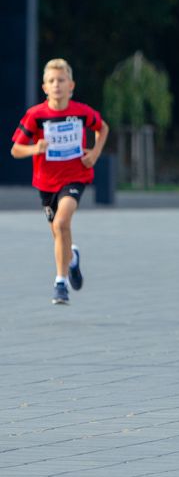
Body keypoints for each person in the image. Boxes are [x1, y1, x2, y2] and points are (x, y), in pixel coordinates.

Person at [10, 58, 109, 305]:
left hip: (75, 176)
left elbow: (103, 128)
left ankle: (60, 283)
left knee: (63, 221)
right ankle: (72, 259)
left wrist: (94, 154)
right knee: (58, 232)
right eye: (51, 81)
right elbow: (16, 149)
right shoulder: (36, 115)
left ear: (71, 85)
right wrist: (36, 148)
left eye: (61, 80)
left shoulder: (81, 112)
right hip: (46, 182)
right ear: (44, 87)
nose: (56, 85)